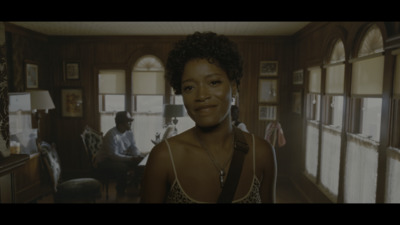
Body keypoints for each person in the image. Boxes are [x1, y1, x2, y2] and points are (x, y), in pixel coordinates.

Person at [140, 32, 277, 203]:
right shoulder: (164, 157)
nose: (202, 95)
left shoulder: (262, 153)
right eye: (189, 87)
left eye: (213, 83)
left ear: (233, 87)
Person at [95, 111, 144, 195]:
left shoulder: (129, 132)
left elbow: (133, 147)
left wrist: (138, 156)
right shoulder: (111, 135)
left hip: (118, 157)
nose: (131, 123)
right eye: (128, 121)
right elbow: (113, 156)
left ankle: (132, 187)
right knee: (122, 167)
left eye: (131, 121)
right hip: (105, 160)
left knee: (141, 163)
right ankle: (120, 191)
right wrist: (132, 158)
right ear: (120, 123)